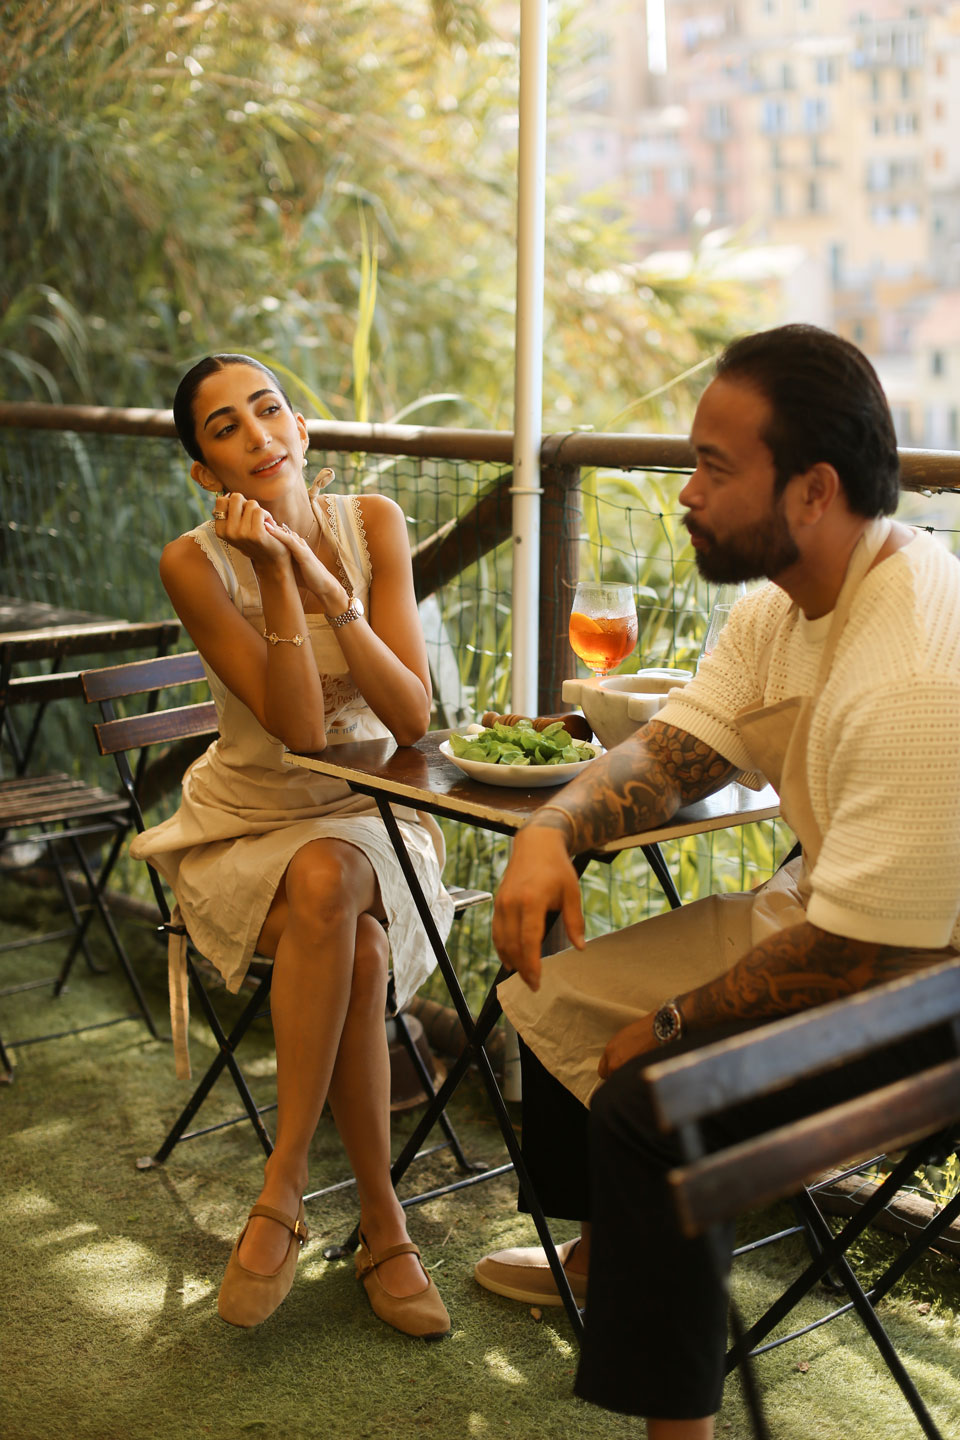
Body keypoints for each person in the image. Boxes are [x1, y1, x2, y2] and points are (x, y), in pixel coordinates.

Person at [474, 324, 960, 1437]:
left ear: (812, 491)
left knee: (653, 1103)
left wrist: (673, 1024)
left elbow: (860, 955)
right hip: (834, 915)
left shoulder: (917, 670)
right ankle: (607, 1255)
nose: (686, 491)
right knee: (551, 988)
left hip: (928, 988)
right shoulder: (782, 603)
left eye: (713, 466)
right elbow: (677, 750)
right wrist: (552, 827)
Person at [132, 353, 454, 1338]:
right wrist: (274, 573)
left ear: (302, 430)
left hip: (375, 820)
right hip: (246, 821)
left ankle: (283, 1193)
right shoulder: (192, 563)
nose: (257, 435)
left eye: (268, 410)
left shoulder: (375, 525)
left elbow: (410, 716)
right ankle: (381, 1223)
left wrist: (318, 575)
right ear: (205, 472)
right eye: (225, 427)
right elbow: (302, 730)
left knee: (332, 879)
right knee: (349, 936)